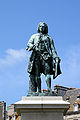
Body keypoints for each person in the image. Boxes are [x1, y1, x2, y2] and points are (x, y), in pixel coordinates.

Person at [26, 22, 61, 94]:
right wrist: (33, 46)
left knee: (47, 73)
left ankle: (49, 89)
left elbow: (52, 49)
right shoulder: (34, 36)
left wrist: (56, 57)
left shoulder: (49, 38)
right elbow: (29, 44)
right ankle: (38, 91)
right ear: (38, 28)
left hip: (46, 57)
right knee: (37, 74)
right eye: (40, 27)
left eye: (43, 27)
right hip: (36, 56)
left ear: (46, 28)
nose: (42, 28)